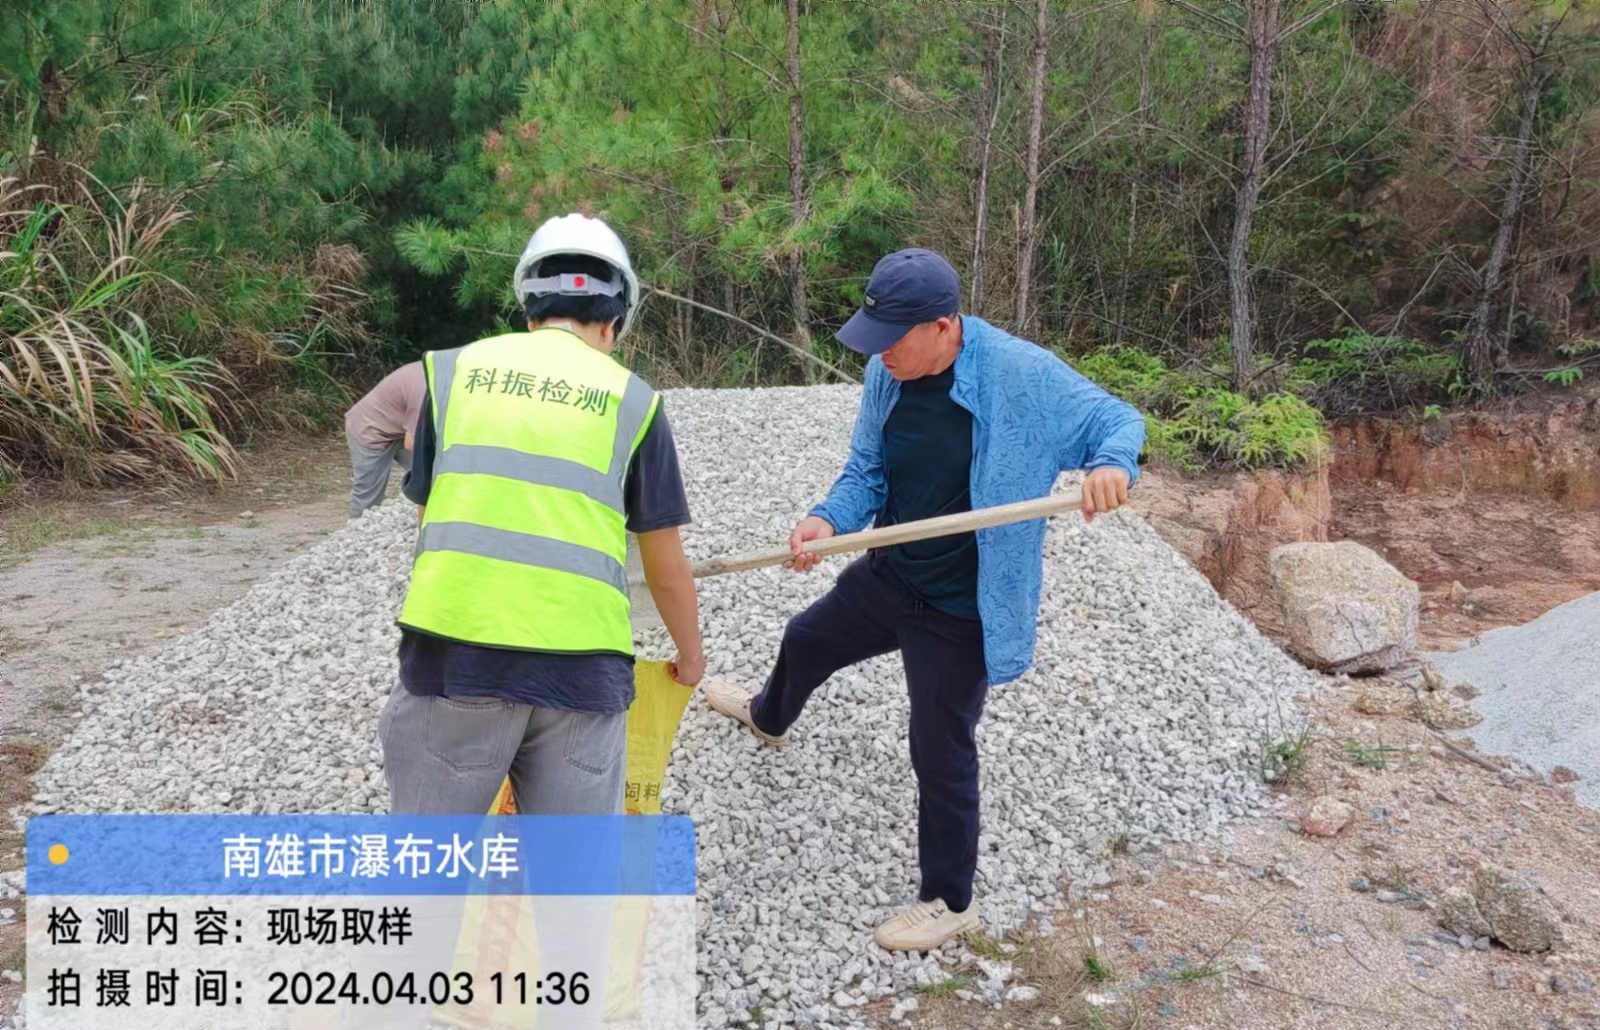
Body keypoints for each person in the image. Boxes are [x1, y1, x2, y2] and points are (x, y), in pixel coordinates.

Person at [705, 247, 1143, 952]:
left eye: (892, 340)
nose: (879, 354)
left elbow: (1117, 422)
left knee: (940, 749)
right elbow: (866, 471)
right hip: (893, 571)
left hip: (962, 607)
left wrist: (1111, 467)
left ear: (943, 326)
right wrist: (827, 520)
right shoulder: (888, 375)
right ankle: (768, 716)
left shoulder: (1021, 375)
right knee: (805, 638)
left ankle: (949, 899)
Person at [382, 213, 706, 817]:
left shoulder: (450, 375)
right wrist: (690, 657)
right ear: (614, 321)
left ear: (529, 311)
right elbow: (665, 570)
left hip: (454, 656)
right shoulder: (634, 401)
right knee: (570, 869)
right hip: (583, 671)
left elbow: (433, 519)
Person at [344, 362, 424, 518]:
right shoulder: (422, 389)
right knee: (368, 493)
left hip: (400, 428)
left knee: (436, 473)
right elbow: (412, 443)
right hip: (370, 429)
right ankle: (357, 528)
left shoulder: (437, 370)